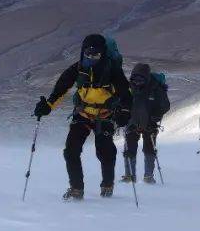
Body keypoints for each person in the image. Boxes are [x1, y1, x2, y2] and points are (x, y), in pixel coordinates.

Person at [33, 33, 131, 200]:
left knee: (105, 151)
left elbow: (126, 94)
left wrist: (125, 112)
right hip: (83, 114)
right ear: (82, 52)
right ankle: (76, 188)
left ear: (103, 53)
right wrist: (47, 106)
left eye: (96, 54)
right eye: (88, 53)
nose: (91, 57)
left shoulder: (113, 70)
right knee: (71, 150)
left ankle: (107, 184)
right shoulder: (77, 69)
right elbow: (60, 90)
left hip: (105, 115)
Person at [121, 63, 171, 184]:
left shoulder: (156, 88)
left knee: (149, 149)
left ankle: (148, 176)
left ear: (146, 78)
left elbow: (165, 105)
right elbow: (122, 102)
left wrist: (156, 114)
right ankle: (130, 176)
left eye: (140, 79)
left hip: (150, 123)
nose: (137, 82)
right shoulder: (129, 88)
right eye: (134, 79)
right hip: (132, 122)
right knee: (129, 149)